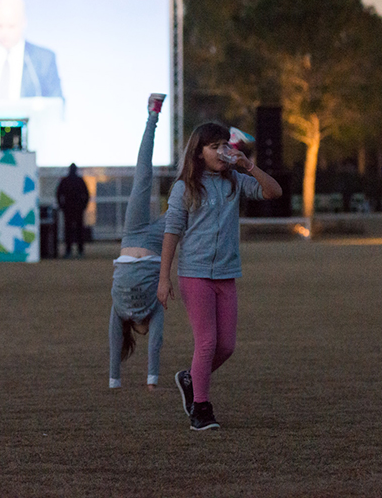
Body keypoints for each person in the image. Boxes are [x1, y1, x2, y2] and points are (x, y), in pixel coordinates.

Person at [158, 121, 283, 431]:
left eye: (225, 145)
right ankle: (201, 409)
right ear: (198, 153)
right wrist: (164, 277)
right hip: (195, 274)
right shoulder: (184, 187)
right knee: (207, 342)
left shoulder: (235, 181)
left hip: (226, 274)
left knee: (226, 346)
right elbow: (172, 232)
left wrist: (249, 166)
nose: (221, 151)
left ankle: (190, 379)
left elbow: (274, 191)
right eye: (214, 147)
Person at [109, 93, 168, 392]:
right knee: (187, 199)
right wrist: (150, 380)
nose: (146, 333)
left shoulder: (121, 311)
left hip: (132, 235)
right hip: (154, 245)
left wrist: (115, 380)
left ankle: (153, 114)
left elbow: (115, 342)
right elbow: (156, 340)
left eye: (140, 333)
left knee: (142, 176)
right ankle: (229, 149)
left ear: (134, 329)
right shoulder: (152, 308)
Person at [57, 163, 90, 258]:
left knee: (69, 230)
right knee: (78, 230)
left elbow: (58, 194)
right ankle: (79, 251)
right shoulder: (79, 180)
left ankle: (70, 251)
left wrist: (62, 206)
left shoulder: (65, 180)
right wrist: (83, 206)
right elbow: (86, 194)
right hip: (76, 209)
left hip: (69, 209)